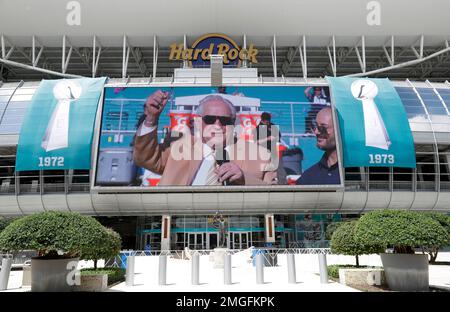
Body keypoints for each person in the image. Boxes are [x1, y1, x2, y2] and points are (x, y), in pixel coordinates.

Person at [133, 91, 278, 186]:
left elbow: (275, 195)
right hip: (180, 224)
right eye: (209, 119)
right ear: (198, 122)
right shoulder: (178, 146)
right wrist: (151, 118)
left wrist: (244, 179)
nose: (217, 125)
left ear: (233, 124)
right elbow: (145, 158)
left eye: (225, 120)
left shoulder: (260, 155)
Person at [296, 107, 340, 185]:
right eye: (315, 126)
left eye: (323, 127)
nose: (316, 132)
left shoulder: (357, 173)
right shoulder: (307, 179)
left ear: (339, 129)